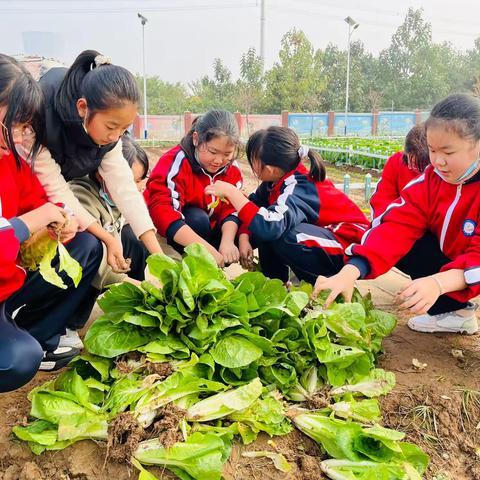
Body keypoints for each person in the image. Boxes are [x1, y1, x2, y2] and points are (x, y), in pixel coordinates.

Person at [313, 93, 480, 335]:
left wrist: (437, 282)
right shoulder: (430, 182)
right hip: (456, 262)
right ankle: (455, 313)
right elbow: (396, 227)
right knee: (407, 242)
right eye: (432, 151)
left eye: (448, 152)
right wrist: (349, 272)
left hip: (471, 263)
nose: (438, 161)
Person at [0, 54, 103, 391]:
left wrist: (60, 219)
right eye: (13, 121)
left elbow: (40, 200)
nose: (19, 134)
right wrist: (35, 220)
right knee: (17, 360)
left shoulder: (10, 161)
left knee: (85, 245)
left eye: (24, 125)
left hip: (6, 283)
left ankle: (32, 328)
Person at [32, 50, 162, 276]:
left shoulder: (110, 138)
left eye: (124, 129)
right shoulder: (41, 114)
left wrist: (159, 256)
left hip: (54, 197)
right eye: (111, 127)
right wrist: (107, 238)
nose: (116, 136)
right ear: (83, 108)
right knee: (83, 245)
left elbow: (125, 189)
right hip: (28, 187)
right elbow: (56, 188)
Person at [205, 126, 370, 284]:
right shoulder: (274, 182)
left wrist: (232, 192)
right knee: (264, 221)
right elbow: (253, 207)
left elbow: (269, 226)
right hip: (323, 238)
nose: (252, 165)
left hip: (350, 244)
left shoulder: (298, 186)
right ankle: (277, 283)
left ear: (269, 169)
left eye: (254, 160)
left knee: (281, 232)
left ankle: (321, 283)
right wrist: (243, 236)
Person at [62, 136, 150, 348]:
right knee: (90, 246)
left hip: (107, 264)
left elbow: (140, 225)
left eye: (141, 180)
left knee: (135, 239)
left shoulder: (117, 197)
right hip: (74, 271)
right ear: (105, 175)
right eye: (132, 181)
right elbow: (97, 258)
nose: (138, 188)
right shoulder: (81, 194)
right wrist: (136, 284)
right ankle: (68, 325)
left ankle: (138, 309)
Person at [144, 110, 243, 267]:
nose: (219, 160)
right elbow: (163, 212)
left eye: (227, 154)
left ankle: (212, 268)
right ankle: (190, 267)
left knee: (252, 221)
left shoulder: (231, 168)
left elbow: (232, 207)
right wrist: (207, 251)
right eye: (212, 152)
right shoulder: (176, 162)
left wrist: (228, 241)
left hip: (212, 232)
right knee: (198, 219)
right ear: (196, 139)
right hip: (178, 232)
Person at [370, 124, 430, 219]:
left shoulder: (441, 171)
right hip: (398, 222)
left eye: (418, 165)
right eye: (410, 160)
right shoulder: (396, 162)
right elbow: (381, 200)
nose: (411, 167)